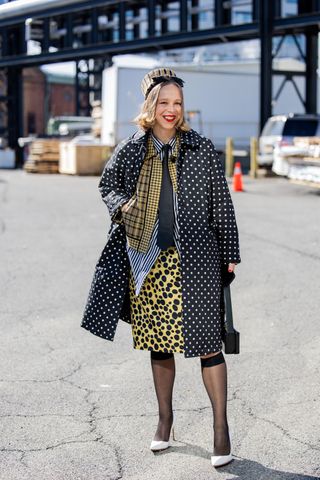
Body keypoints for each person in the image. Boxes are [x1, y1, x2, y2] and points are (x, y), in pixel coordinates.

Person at [81, 67, 241, 468]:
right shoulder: (132, 148)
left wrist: (230, 251)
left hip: (199, 258)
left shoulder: (201, 148)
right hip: (149, 261)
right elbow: (107, 185)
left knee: (208, 343)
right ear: (151, 105)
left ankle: (221, 429)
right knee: (160, 344)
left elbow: (221, 202)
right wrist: (125, 208)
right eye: (164, 102)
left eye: (178, 103)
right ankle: (165, 421)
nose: (171, 110)